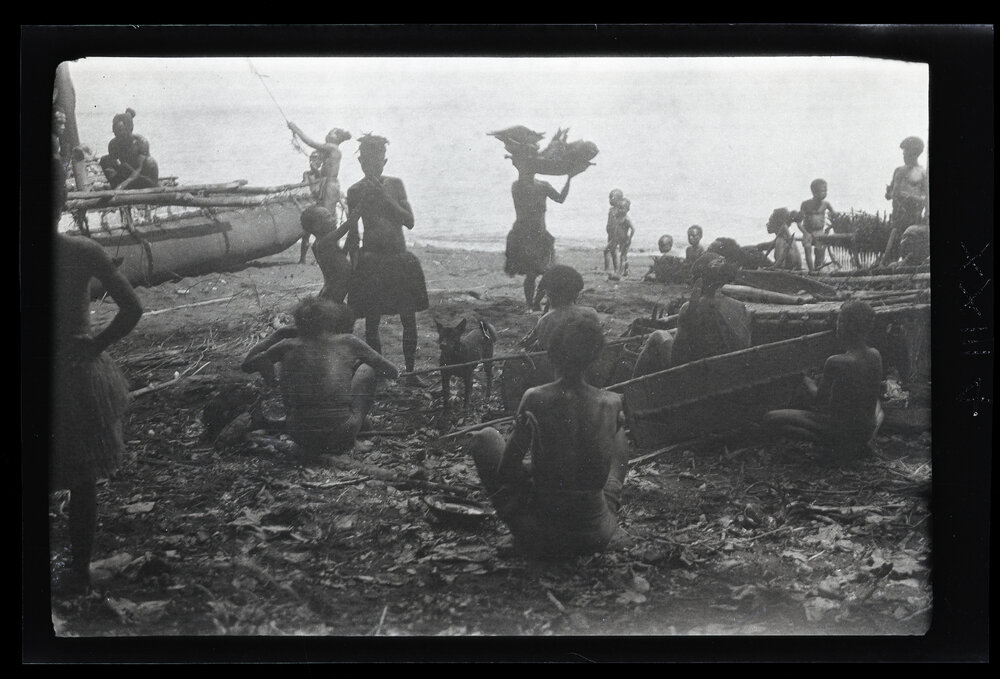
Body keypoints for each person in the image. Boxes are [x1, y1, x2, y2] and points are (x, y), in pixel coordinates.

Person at [51, 158, 143, 593]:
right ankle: (77, 572)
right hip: (74, 370)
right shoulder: (83, 251)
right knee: (82, 476)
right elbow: (133, 309)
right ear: (63, 199)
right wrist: (95, 344)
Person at [468, 314, 628, 559]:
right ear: (595, 357)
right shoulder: (612, 401)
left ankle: (522, 535)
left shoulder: (535, 397)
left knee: (486, 437)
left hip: (542, 534)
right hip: (597, 533)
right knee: (619, 433)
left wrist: (539, 467)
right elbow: (602, 467)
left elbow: (507, 472)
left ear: (552, 354)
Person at [242, 297, 399, 456]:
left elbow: (247, 365)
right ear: (331, 320)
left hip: (299, 434)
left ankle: (343, 423)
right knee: (367, 369)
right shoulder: (348, 342)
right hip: (342, 432)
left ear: (298, 323)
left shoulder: (286, 345)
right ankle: (353, 432)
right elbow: (392, 371)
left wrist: (276, 336)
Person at [342, 134, 428, 385]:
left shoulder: (395, 184)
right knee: (372, 321)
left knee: (408, 318)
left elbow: (409, 221)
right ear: (360, 163)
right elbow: (353, 232)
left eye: (377, 162)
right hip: (371, 262)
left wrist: (384, 198)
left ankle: (410, 372)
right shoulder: (355, 191)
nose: (372, 167)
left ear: (385, 161)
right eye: (366, 163)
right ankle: (379, 373)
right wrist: (353, 265)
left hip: (400, 260)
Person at [763, 300, 884, 460]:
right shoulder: (875, 355)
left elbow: (819, 402)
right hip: (867, 430)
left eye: (839, 321)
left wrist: (803, 378)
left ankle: (835, 446)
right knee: (875, 404)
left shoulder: (836, 361)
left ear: (843, 325)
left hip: (839, 429)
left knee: (770, 418)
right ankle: (854, 445)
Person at [504, 151, 579, 310]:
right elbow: (523, 185)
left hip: (541, 235)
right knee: (532, 274)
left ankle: (536, 302)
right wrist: (517, 160)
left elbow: (560, 199)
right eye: (524, 168)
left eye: (529, 167)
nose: (526, 170)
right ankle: (530, 304)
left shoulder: (543, 186)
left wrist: (569, 178)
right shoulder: (517, 186)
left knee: (548, 272)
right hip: (524, 236)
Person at [671, 253, 752, 366]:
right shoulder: (740, 306)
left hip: (702, 369)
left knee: (657, 336)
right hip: (732, 366)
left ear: (698, 280)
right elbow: (745, 342)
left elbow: (676, 354)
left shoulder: (689, 308)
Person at [519, 265, 600, 351]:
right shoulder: (591, 313)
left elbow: (541, 348)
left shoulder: (546, 320)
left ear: (548, 293)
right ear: (577, 293)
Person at [881, 136, 929, 267]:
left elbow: (926, 198)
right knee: (893, 243)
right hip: (898, 214)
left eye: (906, 151)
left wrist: (910, 197)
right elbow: (890, 193)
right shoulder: (898, 170)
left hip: (913, 215)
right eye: (903, 151)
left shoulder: (922, 173)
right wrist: (890, 193)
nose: (903, 154)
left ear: (915, 152)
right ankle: (887, 268)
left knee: (908, 245)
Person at [287, 121, 351, 217]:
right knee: (324, 213)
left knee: (326, 214)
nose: (327, 135)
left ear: (337, 138)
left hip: (330, 185)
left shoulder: (332, 147)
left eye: (330, 133)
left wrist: (295, 128)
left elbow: (310, 143)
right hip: (327, 184)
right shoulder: (331, 149)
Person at [299, 206, 353, 304]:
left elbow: (339, 256)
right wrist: (355, 216)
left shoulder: (318, 244)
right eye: (328, 217)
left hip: (331, 288)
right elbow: (341, 231)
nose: (334, 219)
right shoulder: (324, 241)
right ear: (317, 226)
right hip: (333, 290)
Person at [99, 108, 159, 190]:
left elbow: (140, 168)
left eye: (121, 131)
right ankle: (115, 185)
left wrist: (124, 184)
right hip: (128, 174)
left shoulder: (141, 142)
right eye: (116, 132)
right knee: (105, 159)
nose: (119, 134)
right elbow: (117, 164)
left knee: (150, 161)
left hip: (143, 177)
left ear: (130, 129)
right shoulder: (113, 144)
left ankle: (128, 187)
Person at [798, 179, 838, 271]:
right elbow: (798, 222)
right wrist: (805, 233)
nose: (824, 193)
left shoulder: (826, 204)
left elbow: (836, 218)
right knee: (807, 248)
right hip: (808, 232)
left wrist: (829, 228)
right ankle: (811, 271)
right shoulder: (805, 204)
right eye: (821, 190)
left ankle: (817, 271)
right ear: (813, 191)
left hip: (820, 232)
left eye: (825, 190)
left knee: (819, 253)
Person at [298, 151, 325, 264]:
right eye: (311, 159)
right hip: (309, 203)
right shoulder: (307, 174)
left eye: (315, 159)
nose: (312, 162)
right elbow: (304, 186)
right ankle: (302, 258)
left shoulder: (322, 174)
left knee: (320, 234)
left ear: (320, 162)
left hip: (319, 204)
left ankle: (318, 260)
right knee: (306, 233)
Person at [603, 190, 634, 281]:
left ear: (619, 200)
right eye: (609, 197)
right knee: (612, 251)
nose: (610, 200)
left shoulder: (620, 211)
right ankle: (615, 269)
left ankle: (620, 270)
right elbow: (611, 222)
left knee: (621, 254)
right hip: (612, 234)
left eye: (612, 198)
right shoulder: (611, 210)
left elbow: (626, 226)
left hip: (620, 236)